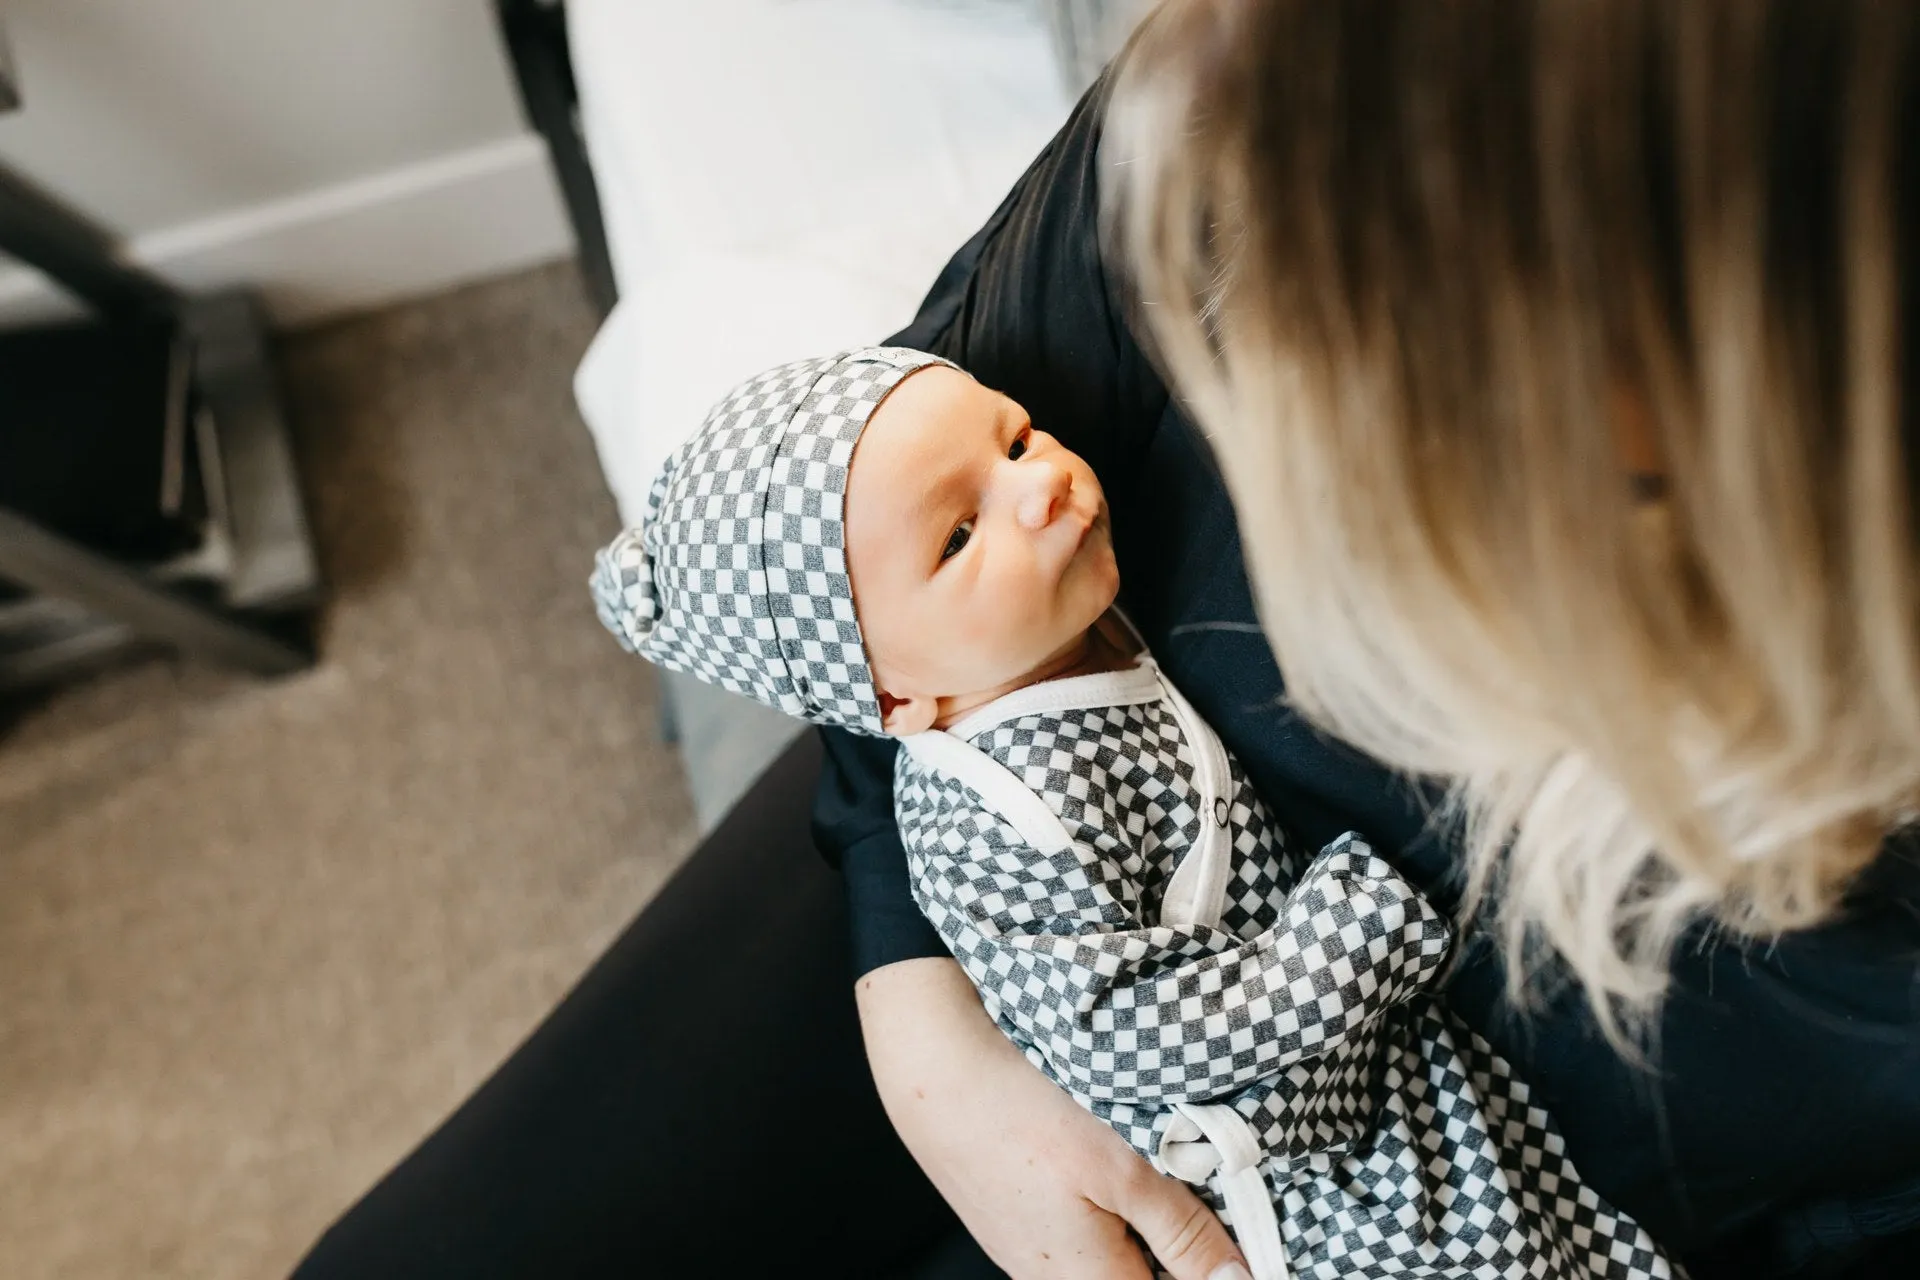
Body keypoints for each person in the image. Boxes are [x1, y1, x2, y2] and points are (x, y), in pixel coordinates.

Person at [292, 6, 1920, 1278]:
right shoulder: (1263, 114)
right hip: (999, 878)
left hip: (1453, 1207)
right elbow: (871, 491)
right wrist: (918, 1017)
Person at [587, 344, 1671, 1278]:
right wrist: (1359, 925)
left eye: (1015, 439)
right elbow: (1125, 1030)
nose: (1038, 487)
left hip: (1372, 1077)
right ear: (892, 700)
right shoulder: (997, 815)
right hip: (1292, 1165)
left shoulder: (1057, 637)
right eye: (960, 536)